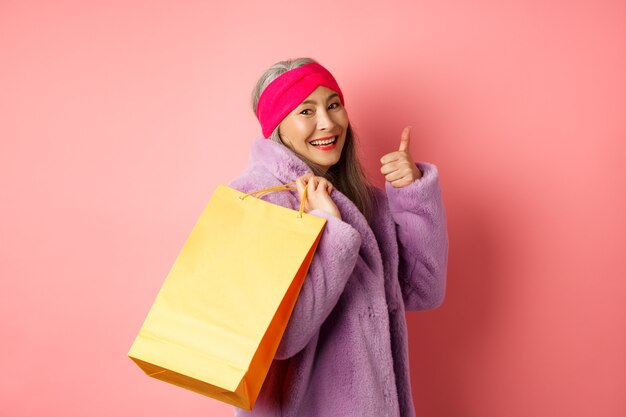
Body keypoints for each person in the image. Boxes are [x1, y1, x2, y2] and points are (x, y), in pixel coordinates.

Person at [229, 58, 448, 417]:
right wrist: (331, 232)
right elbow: (281, 339)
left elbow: (424, 290)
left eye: (334, 105)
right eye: (306, 110)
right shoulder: (258, 200)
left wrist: (411, 196)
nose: (327, 122)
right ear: (278, 127)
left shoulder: (365, 202)